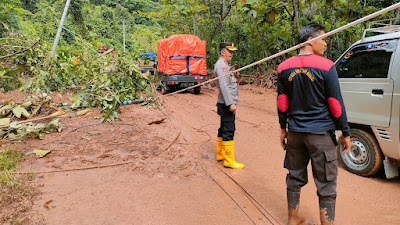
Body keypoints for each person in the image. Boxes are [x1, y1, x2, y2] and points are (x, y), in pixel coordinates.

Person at [277, 24, 352, 225]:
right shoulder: (327, 66)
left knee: (294, 177)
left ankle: (293, 219)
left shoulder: (284, 67)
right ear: (310, 40)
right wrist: (345, 132)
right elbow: (336, 105)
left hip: (295, 133)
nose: (325, 43)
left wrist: (283, 129)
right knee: (326, 183)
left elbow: (282, 103)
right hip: (320, 136)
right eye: (323, 39)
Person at [214, 42, 244, 169]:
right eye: (229, 51)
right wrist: (231, 103)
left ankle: (221, 154)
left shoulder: (224, 65)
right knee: (229, 130)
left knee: (223, 128)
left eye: (232, 51)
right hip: (226, 103)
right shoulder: (221, 66)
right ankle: (229, 160)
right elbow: (224, 86)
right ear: (222, 52)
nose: (231, 53)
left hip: (224, 103)